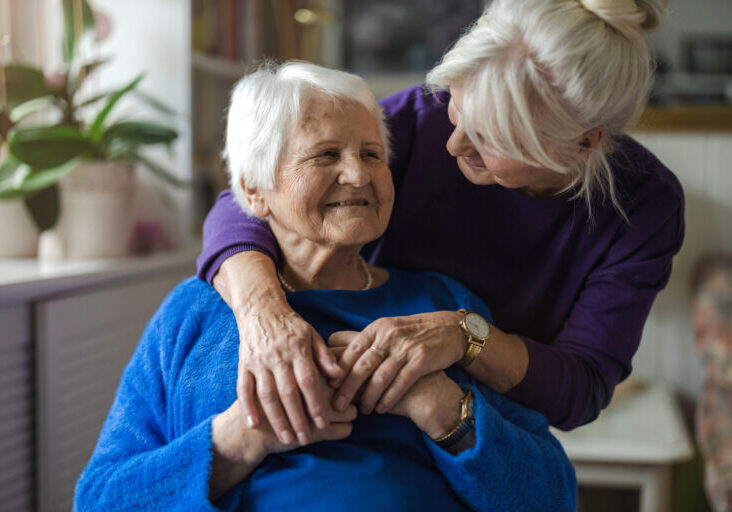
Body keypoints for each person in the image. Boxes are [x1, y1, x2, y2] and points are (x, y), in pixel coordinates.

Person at [74, 62, 577, 511]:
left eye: (373, 154)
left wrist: (438, 404)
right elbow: (100, 500)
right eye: (325, 155)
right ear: (253, 188)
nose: (358, 175)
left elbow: (553, 495)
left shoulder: (445, 307)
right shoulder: (193, 313)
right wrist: (243, 437)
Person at [197, 0, 684, 446]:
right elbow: (245, 199)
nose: (453, 146)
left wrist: (467, 337)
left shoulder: (644, 204)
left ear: (584, 143)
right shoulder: (420, 118)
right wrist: (265, 316)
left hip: (482, 426)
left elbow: (583, 387)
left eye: (491, 138)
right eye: (457, 108)